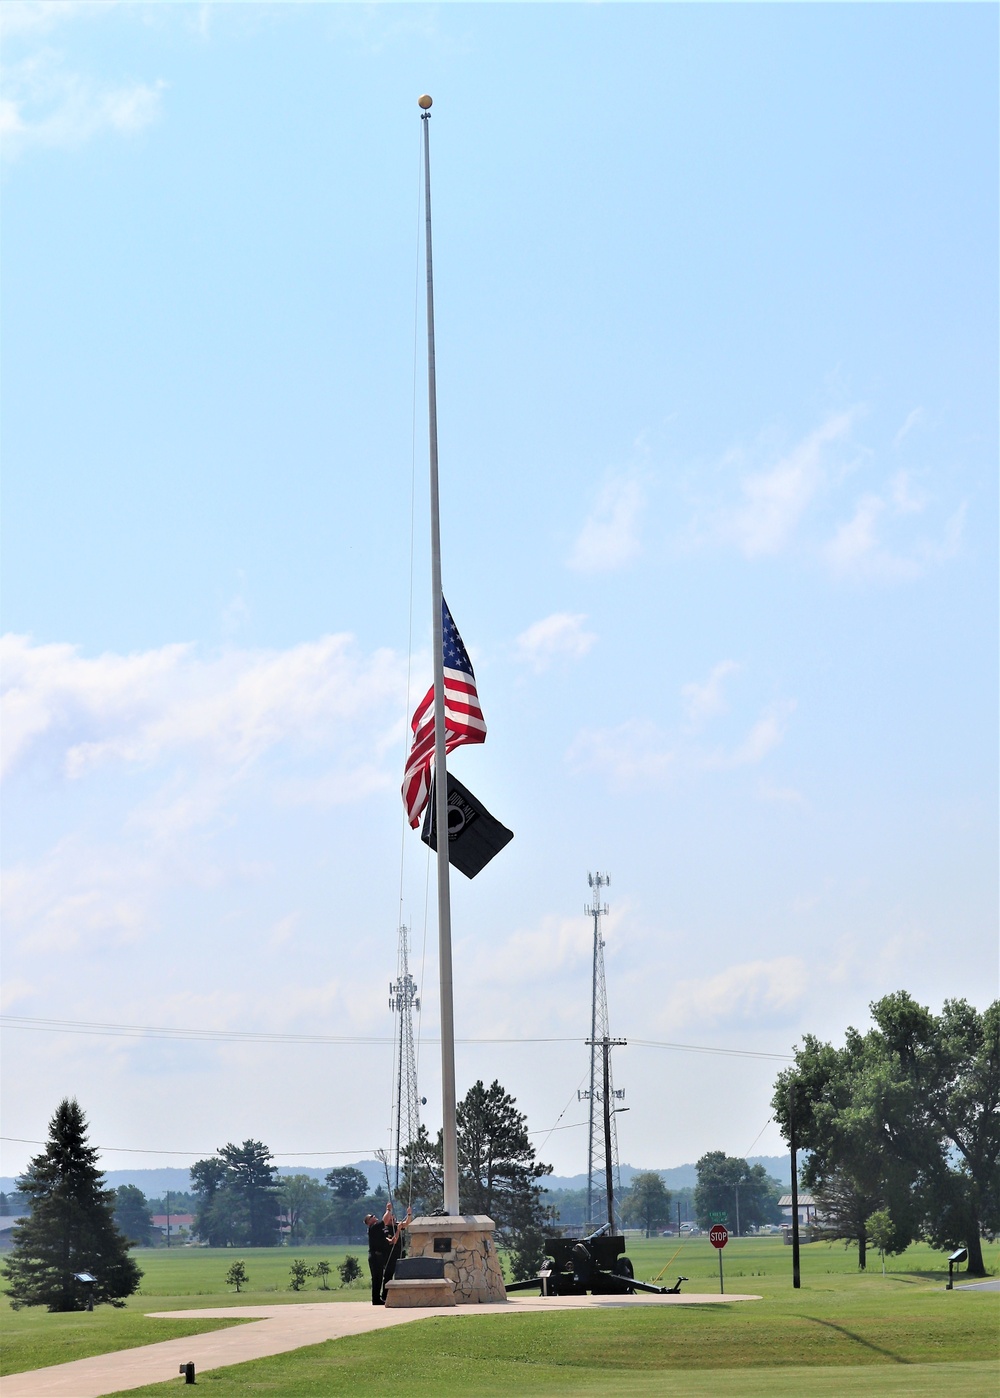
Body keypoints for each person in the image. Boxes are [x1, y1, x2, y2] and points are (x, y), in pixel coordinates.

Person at [381, 1202, 412, 1299]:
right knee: (388, 1275)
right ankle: (385, 1295)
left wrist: (409, 1214)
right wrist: (388, 1210)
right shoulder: (385, 1229)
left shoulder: (397, 1225)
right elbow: (393, 1241)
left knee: (401, 1274)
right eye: (391, 1217)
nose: (393, 1218)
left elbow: (407, 1223)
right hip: (390, 1255)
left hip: (399, 1253)